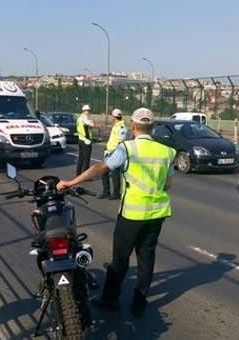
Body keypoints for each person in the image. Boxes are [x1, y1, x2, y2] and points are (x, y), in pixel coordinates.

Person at [57, 107, 176, 318]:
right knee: (147, 257)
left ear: (134, 126)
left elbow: (100, 169)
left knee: (120, 259)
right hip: (157, 213)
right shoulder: (166, 151)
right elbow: (167, 185)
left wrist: (71, 182)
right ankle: (139, 302)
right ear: (153, 127)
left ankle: (110, 299)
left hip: (132, 215)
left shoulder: (128, 149)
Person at [99, 108, 127, 200]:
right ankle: (106, 192)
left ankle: (116, 194)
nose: (111, 118)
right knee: (104, 172)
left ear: (114, 117)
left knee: (115, 175)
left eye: (112, 117)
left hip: (115, 154)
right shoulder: (115, 126)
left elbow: (120, 142)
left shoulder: (121, 127)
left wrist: (115, 154)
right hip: (108, 153)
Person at [76, 104, 95, 175]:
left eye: (89, 111)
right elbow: (93, 125)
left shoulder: (79, 118)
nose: (88, 112)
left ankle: (78, 174)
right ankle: (85, 176)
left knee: (80, 158)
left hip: (81, 139)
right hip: (86, 140)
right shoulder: (84, 118)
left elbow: (88, 127)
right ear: (84, 111)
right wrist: (91, 122)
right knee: (86, 159)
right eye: (88, 111)